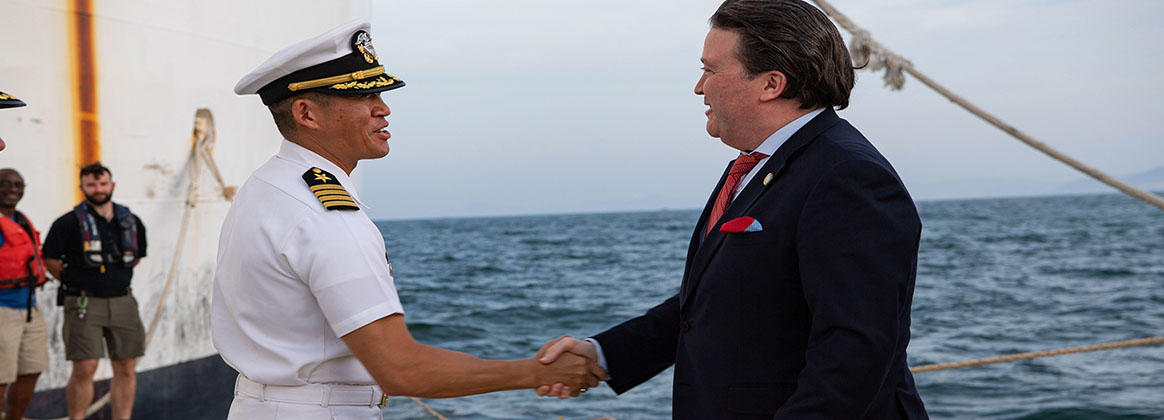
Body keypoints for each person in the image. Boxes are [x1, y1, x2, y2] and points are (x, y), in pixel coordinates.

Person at [538, 1, 930, 418]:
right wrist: (603, 353)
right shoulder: (756, 167)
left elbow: (853, 357)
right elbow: (715, 304)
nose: (699, 87)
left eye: (709, 70)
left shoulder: (847, 176)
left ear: (771, 83)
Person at [213, 19, 600, 419]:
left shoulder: (267, 187)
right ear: (306, 113)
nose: (383, 108)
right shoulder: (326, 217)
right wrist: (536, 372)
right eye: (362, 95)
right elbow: (400, 370)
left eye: (379, 92)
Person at [42, 162, 148, 420]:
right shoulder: (67, 223)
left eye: (103, 184)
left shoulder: (131, 221)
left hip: (123, 301)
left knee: (126, 366)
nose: (98, 189)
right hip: (83, 302)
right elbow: (50, 259)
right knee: (85, 367)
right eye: (91, 184)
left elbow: (136, 257)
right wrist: (78, 281)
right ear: (82, 187)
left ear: (112, 185)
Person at [0, 168, 49, 420]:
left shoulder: (21, 222)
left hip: (29, 307)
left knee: (32, 369)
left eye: (18, 185)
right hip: (2, 310)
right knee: (0, 376)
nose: (12, 189)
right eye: (5, 184)